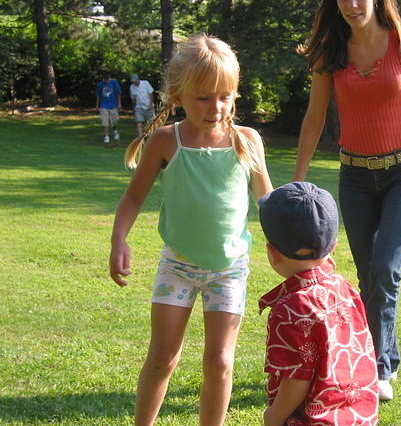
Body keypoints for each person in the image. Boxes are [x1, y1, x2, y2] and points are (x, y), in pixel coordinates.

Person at [293, 0, 401, 401]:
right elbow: (314, 117)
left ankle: (378, 367)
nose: (351, 4)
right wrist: (297, 182)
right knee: (368, 273)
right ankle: (386, 355)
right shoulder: (330, 51)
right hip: (356, 177)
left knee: (386, 266)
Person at [109, 33, 273, 426]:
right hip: (176, 267)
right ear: (179, 96)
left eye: (224, 96)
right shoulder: (167, 141)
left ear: (235, 95)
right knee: (163, 356)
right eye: (203, 97)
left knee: (219, 362)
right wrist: (119, 239)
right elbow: (134, 197)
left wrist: (297, 245)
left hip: (228, 270)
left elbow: (267, 200)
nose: (215, 107)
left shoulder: (246, 141)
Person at [258, 181, 378, 426]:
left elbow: (297, 378)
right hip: (359, 418)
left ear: (272, 253)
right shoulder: (345, 289)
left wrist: (275, 415)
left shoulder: (291, 308)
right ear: (333, 247)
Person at [96, 72, 122, 144]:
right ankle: (106, 136)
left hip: (113, 105)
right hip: (104, 105)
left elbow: (118, 93)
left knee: (114, 120)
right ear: (103, 78)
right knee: (105, 120)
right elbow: (98, 95)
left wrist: (119, 103)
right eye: (105, 79)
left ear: (110, 77)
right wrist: (97, 105)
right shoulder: (100, 84)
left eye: (108, 79)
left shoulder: (114, 83)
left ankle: (114, 130)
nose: (107, 81)